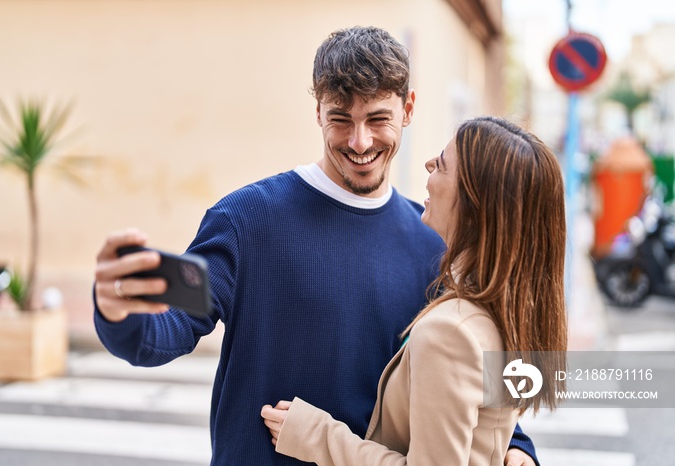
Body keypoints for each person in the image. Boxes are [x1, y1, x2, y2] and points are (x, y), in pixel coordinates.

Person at [93, 27, 540, 466]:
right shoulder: (244, 219)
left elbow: (466, 365)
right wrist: (120, 310)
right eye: (341, 119)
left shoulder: (432, 239)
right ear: (318, 113)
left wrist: (516, 441)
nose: (359, 141)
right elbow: (167, 327)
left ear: (408, 109)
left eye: (378, 119)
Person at [261, 115, 568, 465]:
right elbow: (486, 426)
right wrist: (516, 449)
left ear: (473, 203)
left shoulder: (450, 332)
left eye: (443, 164)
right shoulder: (514, 310)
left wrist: (317, 435)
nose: (429, 165)